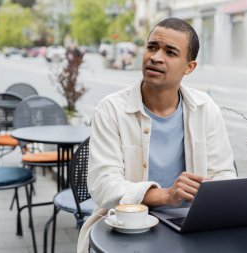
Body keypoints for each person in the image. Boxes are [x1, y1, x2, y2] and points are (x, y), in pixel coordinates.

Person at [77, 17, 237, 252]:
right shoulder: (111, 109)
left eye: (170, 52)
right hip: (126, 228)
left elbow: (224, 173)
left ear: (189, 67)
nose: (156, 57)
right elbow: (104, 186)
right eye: (152, 47)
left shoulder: (205, 107)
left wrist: (213, 193)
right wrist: (166, 196)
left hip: (191, 225)